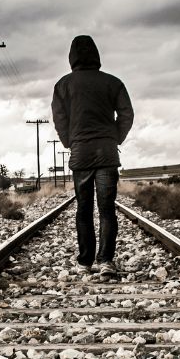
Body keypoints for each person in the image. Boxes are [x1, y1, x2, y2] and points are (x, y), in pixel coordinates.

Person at [51, 35, 134, 278]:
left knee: (84, 210)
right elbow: (127, 114)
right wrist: (115, 138)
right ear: (96, 54)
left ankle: (85, 261)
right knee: (107, 209)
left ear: (72, 56)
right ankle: (106, 261)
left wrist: (69, 141)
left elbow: (59, 118)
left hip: (81, 154)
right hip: (107, 153)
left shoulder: (63, 85)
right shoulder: (113, 83)